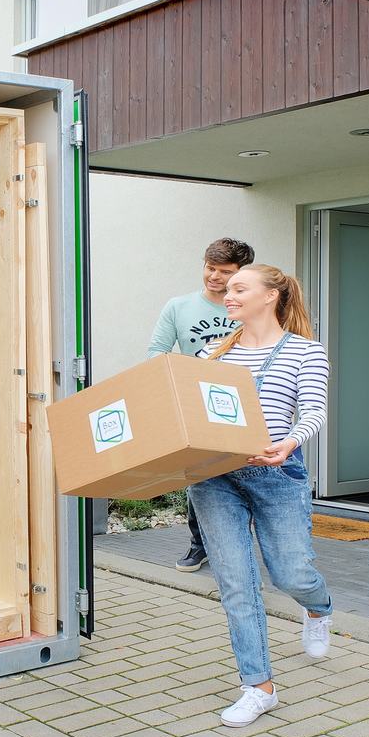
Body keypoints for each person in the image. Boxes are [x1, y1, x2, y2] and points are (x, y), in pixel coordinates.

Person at [190, 264, 332, 728]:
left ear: (270, 296)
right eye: (226, 290)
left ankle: (318, 607)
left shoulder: (306, 352)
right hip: (215, 477)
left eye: (238, 288)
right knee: (236, 583)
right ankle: (258, 686)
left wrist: (290, 441)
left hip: (277, 474)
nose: (227, 295)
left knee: (291, 572)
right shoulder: (212, 354)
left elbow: (312, 409)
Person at [147, 237, 254, 572]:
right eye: (210, 268)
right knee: (199, 475)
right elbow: (157, 352)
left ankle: (239, 551)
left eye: (225, 271)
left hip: (243, 404)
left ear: (241, 273)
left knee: (246, 473)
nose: (215, 277)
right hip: (194, 404)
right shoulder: (179, 307)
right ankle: (199, 544)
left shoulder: (253, 308)